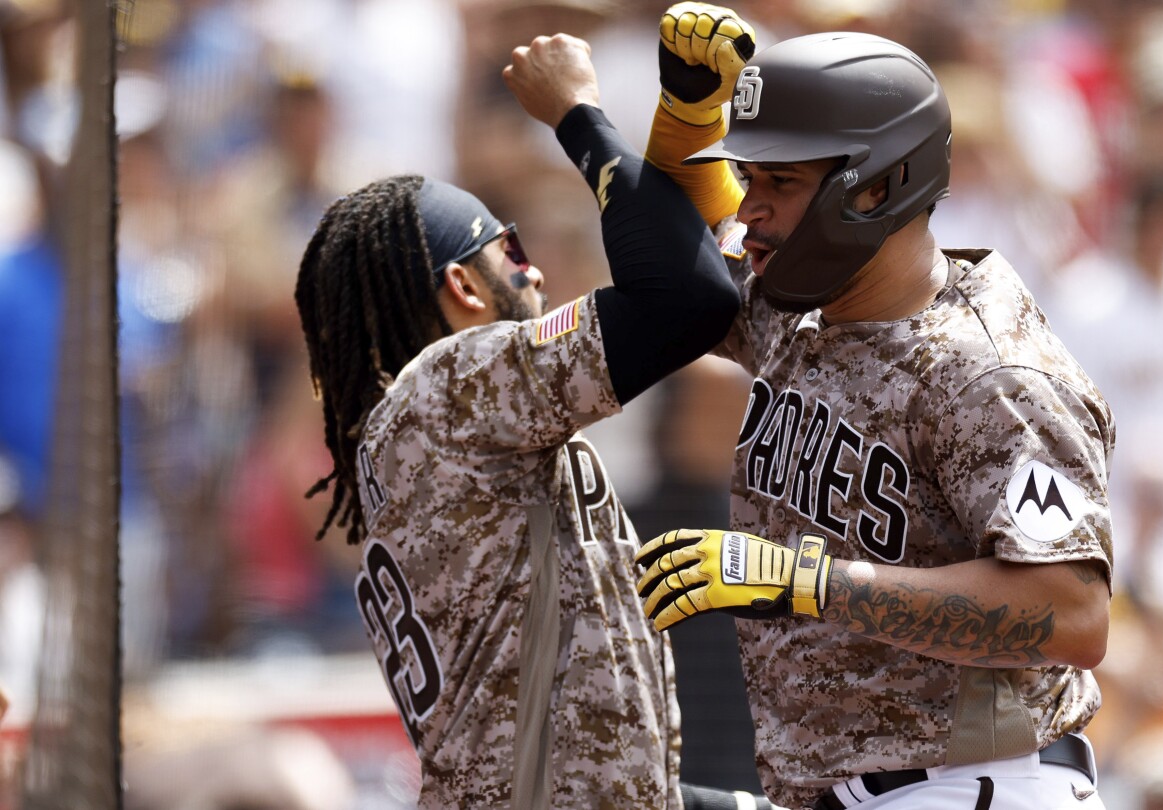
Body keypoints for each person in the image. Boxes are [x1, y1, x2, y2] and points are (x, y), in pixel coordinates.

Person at [635, 6, 1116, 809]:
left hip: (974, 785)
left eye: (779, 182)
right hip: (851, 789)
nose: (750, 209)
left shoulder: (989, 371)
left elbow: (1072, 612)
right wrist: (683, 116)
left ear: (879, 187)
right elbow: (671, 265)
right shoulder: (805, 302)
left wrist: (804, 582)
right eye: (750, 179)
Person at [293, 33, 772, 810]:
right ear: (463, 286)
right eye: (507, 247)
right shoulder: (450, 387)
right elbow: (688, 301)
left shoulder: (425, 429)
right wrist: (579, 116)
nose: (536, 267)